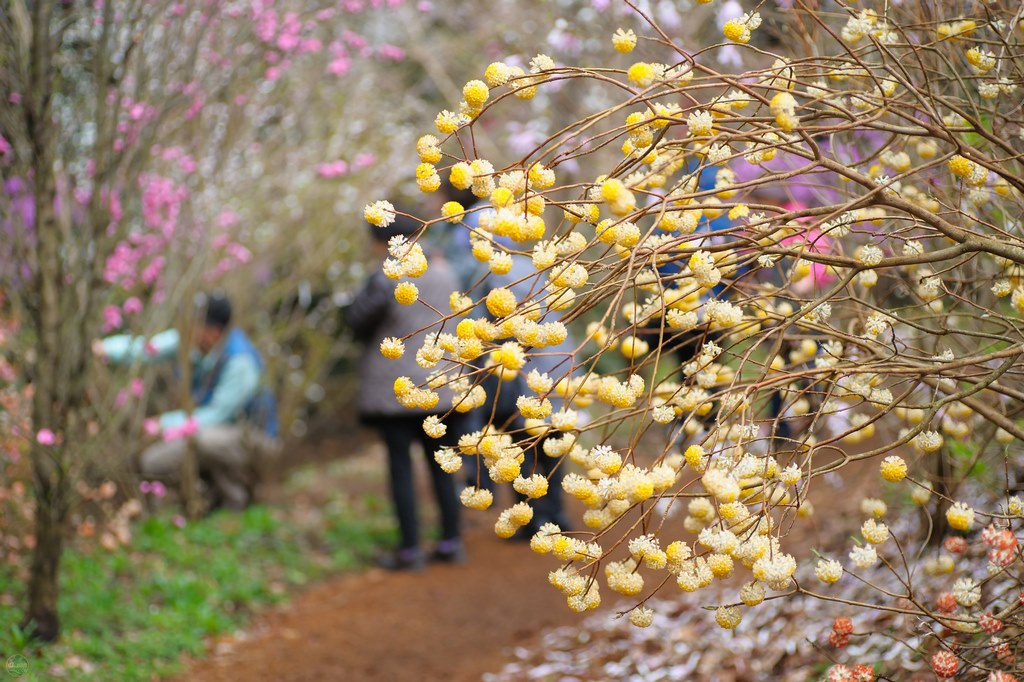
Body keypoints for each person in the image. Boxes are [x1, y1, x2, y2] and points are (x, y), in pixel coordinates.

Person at [343, 214, 466, 571]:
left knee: (401, 467)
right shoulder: (445, 270)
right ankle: (450, 542)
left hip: (395, 392)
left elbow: (357, 321)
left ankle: (410, 550)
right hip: (442, 386)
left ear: (383, 242)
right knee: (442, 464)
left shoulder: (387, 276)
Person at [96, 291, 279, 511]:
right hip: (214, 431)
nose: (187, 327)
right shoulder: (190, 342)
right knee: (153, 461)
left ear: (213, 332)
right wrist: (103, 348)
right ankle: (209, 500)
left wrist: (163, 425)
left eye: (195, 323)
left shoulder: (240, 361)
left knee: (202, 441)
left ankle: (236, 500)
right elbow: (146, 348)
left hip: (254, 439)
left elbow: (217, 415)